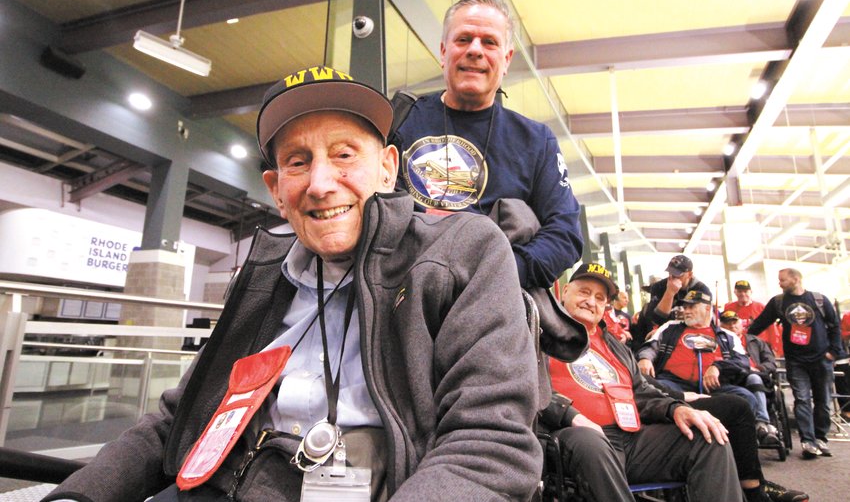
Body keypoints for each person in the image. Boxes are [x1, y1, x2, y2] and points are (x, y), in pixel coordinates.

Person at [44, 66, 555, 502]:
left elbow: (490, 443)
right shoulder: (265, 276)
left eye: (344, 154)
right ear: (277, 193)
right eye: (297, 161)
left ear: (387, 168)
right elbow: (180, 419)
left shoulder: (463, 252)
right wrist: (78, 495)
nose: (319, 183)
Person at [390, 0, 582, 291]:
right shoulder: (398, 120)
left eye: (489, 42)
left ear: (506, 60)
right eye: (463, 39)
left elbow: (565, 234)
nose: (475, 50)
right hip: (400, 291)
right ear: (443, 52)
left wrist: (498, 272)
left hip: (493, 304)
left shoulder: (536, 142)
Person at [543, 263, 743, 502]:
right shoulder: (540, 335)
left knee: (708, 438)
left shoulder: (615, 346)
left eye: (600, 297)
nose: (591, 302)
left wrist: (675, 407)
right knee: (589, 441)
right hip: (573, 437)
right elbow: (527, 387)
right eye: (584, 292)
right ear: (564, 292)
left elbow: (641, 391)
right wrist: (570, 415)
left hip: (629, 437)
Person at [636, 290, 777, 443]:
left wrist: (718, 367)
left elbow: (742, 361)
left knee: (747, 398)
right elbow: (650, 347)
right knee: (655, 391)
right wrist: (645, 358)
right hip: (674, 383)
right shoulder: (670, 327)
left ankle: (737, 443)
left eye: (692, 307)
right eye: (685, 307)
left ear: (707, 309)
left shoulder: (726, 335)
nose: (686, 311)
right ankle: (661, 442)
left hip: (716, 386)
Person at [748, 268, 844, 459]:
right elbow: (759, 324)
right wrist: (738, 338)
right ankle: (808, 441)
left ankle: (821, 438)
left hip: (821, 360)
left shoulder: (819, 300)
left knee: (823, 401)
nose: (780, 283)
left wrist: (833, 353)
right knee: (802, 400)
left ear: (796, 279)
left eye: (782, 280)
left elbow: (835, 327)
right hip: (796, 361)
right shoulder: (778, 302)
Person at [718, 310, 781, 446]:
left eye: (735, 323)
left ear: (741, 325)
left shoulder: (756, 341)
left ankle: (761, 424)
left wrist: (758, 369)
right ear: (721, 326)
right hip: (731, 378)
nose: (732, 326)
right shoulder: (719, 342)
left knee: (754, 378)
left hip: (757, 377)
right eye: (727, 324)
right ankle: (760, 425)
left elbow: (771, 362)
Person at [631, 255, 711, 348]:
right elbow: (656, 319)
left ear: (689, 274)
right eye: (671, 273)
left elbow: (703, 320)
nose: (673, 277)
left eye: (678, 274)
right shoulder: (659, 286)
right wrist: (670, 292)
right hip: (661, 334)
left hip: (690, 335)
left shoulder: (702, 290)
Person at [723, 279, 783, 357]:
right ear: (735, 292)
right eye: (740, 291)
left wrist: (774, 347)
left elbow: (772, 328)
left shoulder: (761, 307)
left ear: (751, 292)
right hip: (738, 347)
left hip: (760, 346)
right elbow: (724, 327)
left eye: (745, 291)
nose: (743, 294)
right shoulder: (729, 308)